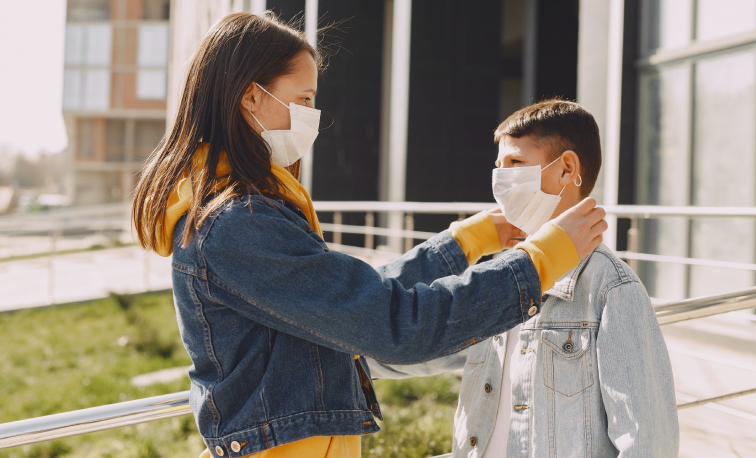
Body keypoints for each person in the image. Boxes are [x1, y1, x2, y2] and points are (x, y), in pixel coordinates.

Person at [130, 13, 607, 458]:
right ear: (250, 97)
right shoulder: (238, 225)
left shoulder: (248, 211)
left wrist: (469, 241)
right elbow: (395, 324)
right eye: (303, 99)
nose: (313, 115)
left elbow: (356, 298)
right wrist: (540, 259)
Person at [369, 99, 679, 458]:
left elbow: (648, 443)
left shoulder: (610, 287)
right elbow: (403, 350)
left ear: (566, 169)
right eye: (498, 166)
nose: (501, 179)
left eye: (516, 163)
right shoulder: (497, 278)